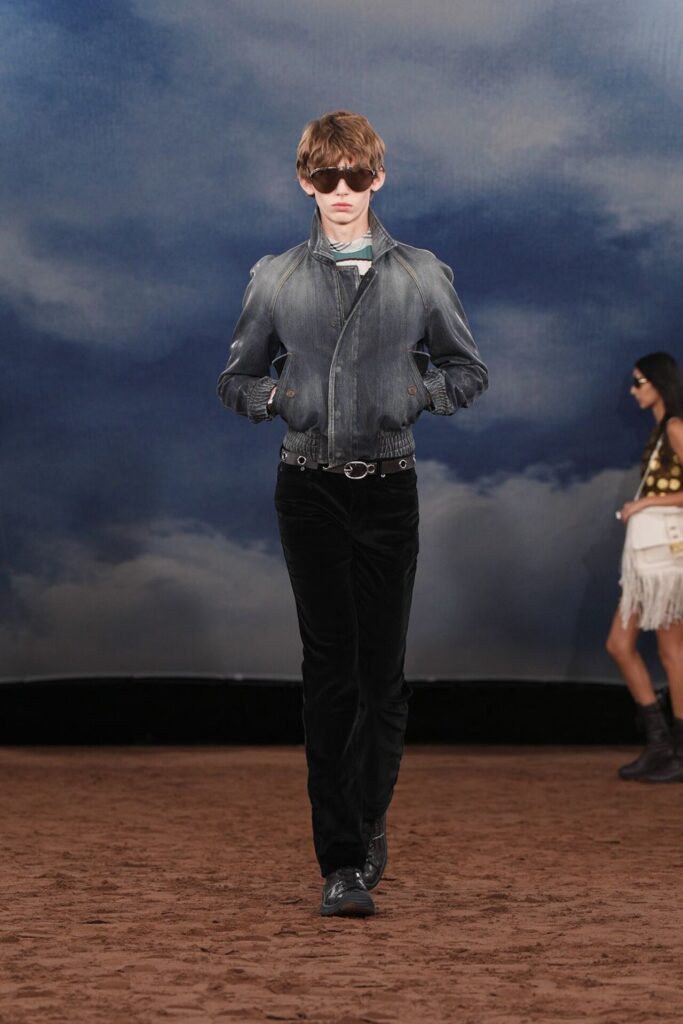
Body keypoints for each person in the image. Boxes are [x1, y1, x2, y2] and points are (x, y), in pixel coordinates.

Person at [217, 111, 488, 916]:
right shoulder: (274, 277)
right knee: (329, 674)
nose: (342, 190)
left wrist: (415, 393)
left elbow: (466, 370)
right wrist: (279, 398)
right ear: (305, 181)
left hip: (389, 486)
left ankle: (367, 815)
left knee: (382, 679)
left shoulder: (422, 273)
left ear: (378, 178)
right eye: (326, 176)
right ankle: (338, 861)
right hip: (308, 487)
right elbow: (235, 379)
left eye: (356, 176)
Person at [607, 352, 683, 783]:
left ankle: (677, 751)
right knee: (621, 644)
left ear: (658, 382)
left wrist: (646, 503)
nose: (633, 390)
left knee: (672, 652)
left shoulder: (674, 427)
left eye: (639, 382)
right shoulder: (660, 431)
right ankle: (661, 745)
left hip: (667, 559)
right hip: (649, 560)